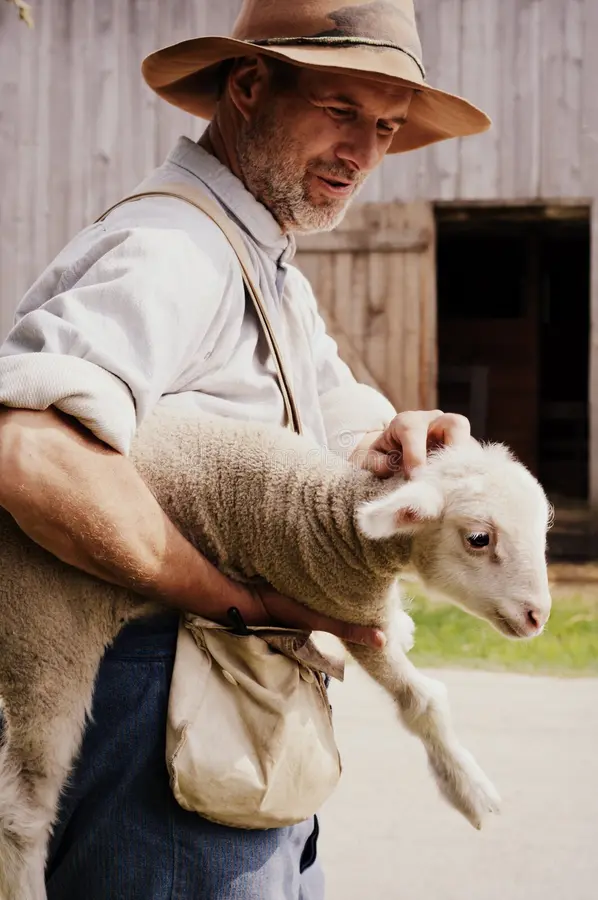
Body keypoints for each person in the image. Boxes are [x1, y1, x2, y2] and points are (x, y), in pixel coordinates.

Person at [0, 1, 490, 897]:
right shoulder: (171, 249)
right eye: (341, 110)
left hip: (229, 714)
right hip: (156, 699)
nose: (365, 152)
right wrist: (234, 599)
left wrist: (396, 439)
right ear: (250, 85)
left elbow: (322, 413)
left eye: (385, 126)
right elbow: (27, 453)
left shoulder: (259, 257)